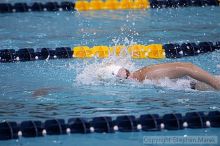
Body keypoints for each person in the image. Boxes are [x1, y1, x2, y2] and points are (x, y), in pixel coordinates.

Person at [115, 62, 220, 91]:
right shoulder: (143, 80)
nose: (129, 77)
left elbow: (187, 67)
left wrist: (216, 83)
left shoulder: (148, 74)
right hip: (200, 86)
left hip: (210, 84)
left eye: (127, 74)